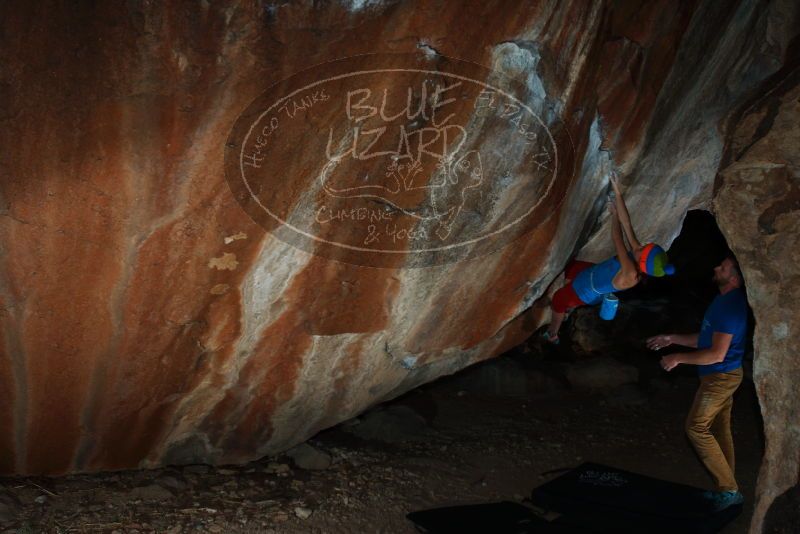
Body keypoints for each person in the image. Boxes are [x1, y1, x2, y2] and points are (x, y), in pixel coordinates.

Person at [646, 255, 748, 511]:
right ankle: (728, 488)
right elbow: (705, 340)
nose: (716, 267)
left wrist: (678, 358)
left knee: (696, 427)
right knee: (719, 429)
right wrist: (672, 339)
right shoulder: (722, 300)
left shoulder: (731, 307)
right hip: (721, 374)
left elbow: (716, 354)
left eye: (722, 267)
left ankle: (729, 491)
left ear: (734, 279)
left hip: (721, 376)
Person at [542, 173, 675, 344]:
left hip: (588, 289)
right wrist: (618, 193)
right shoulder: (638, 255)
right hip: (593, 272)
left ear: (642, 262)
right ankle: (568, 303)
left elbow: (618, 239)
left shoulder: (630, 274)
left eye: (643, 249)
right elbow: (627, 224)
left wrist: (613, 216)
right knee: (570, 266)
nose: (640, 246)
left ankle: (553, 333)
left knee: (559, 300)